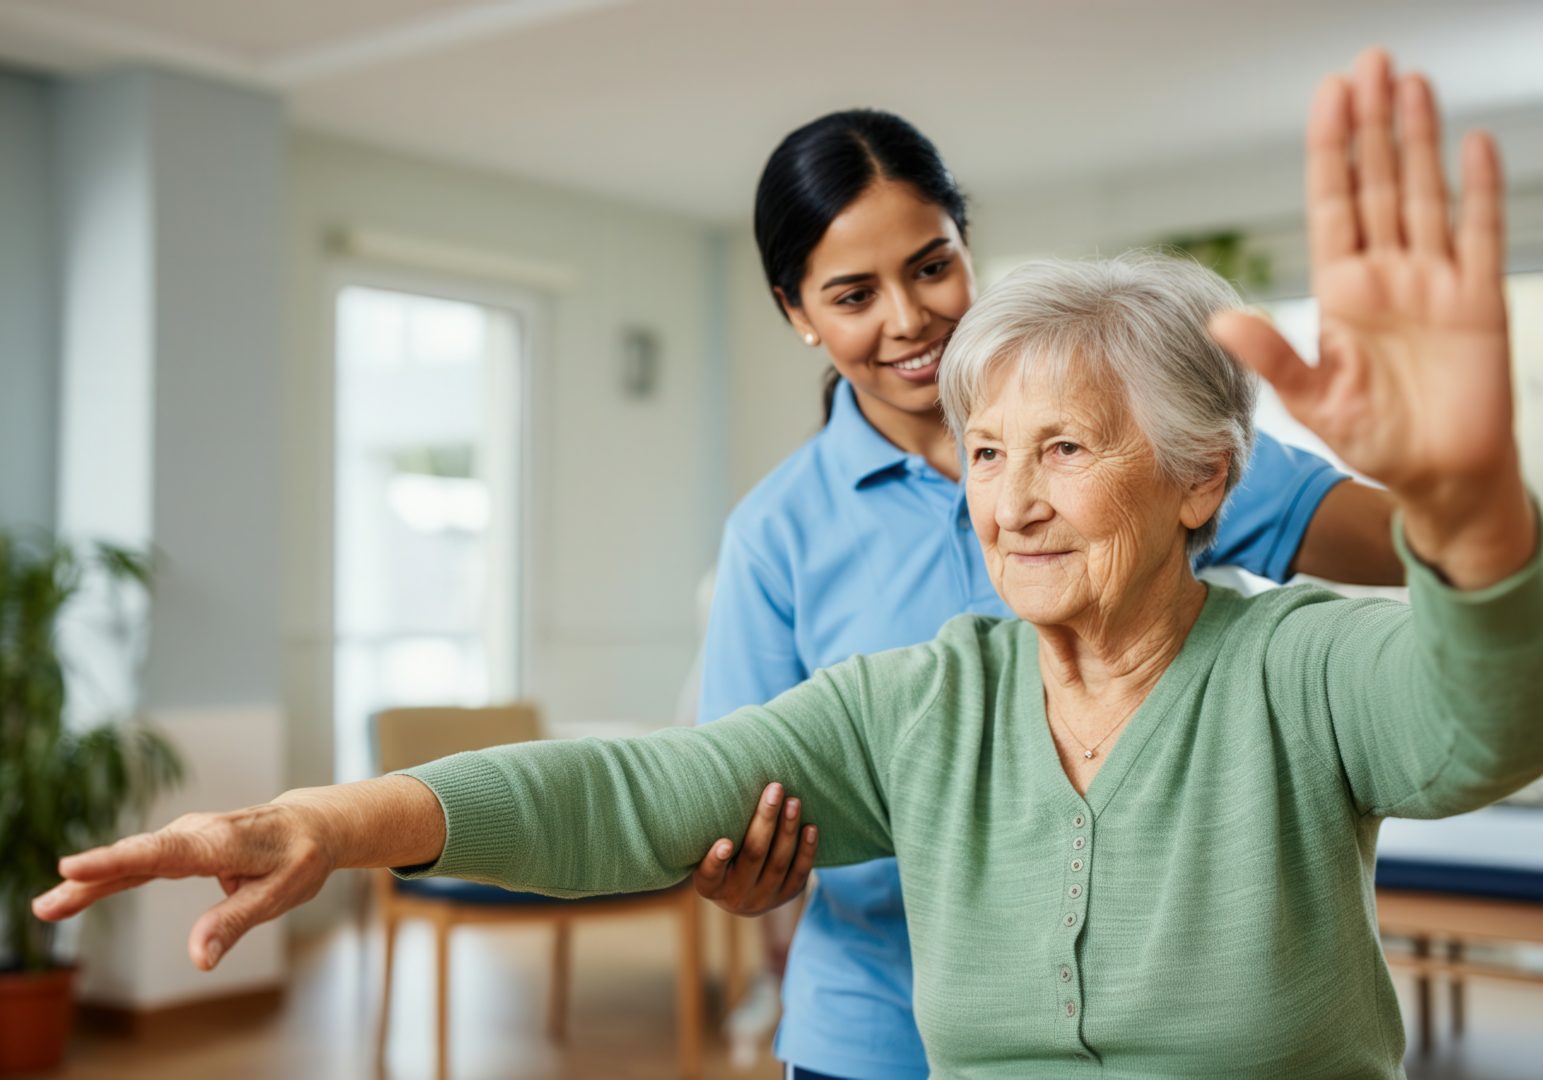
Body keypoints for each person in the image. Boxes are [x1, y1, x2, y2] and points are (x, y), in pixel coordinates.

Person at [35, 50, 1542, 1077]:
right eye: (989, 453)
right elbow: (645, 791)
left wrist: (1469, 499)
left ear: (1204, 485)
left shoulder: (1291, 658)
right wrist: (331, 817)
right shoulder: (909, 687)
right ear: (796, 311)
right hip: (862, 1011)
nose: (1003, 498)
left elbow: (1469, 702)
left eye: (1062, 450)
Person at [685, 84, 1402, 1080]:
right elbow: (738, 791)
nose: (909, 320)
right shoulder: (776, 534)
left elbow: (1412, 548)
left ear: (966, 245)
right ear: (794, 312)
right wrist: (744, 868)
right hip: (880, 1029)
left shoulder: (1148, 440)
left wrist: (1457, 490)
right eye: (853, 296)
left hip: (1150, 1019)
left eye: (932, 266)